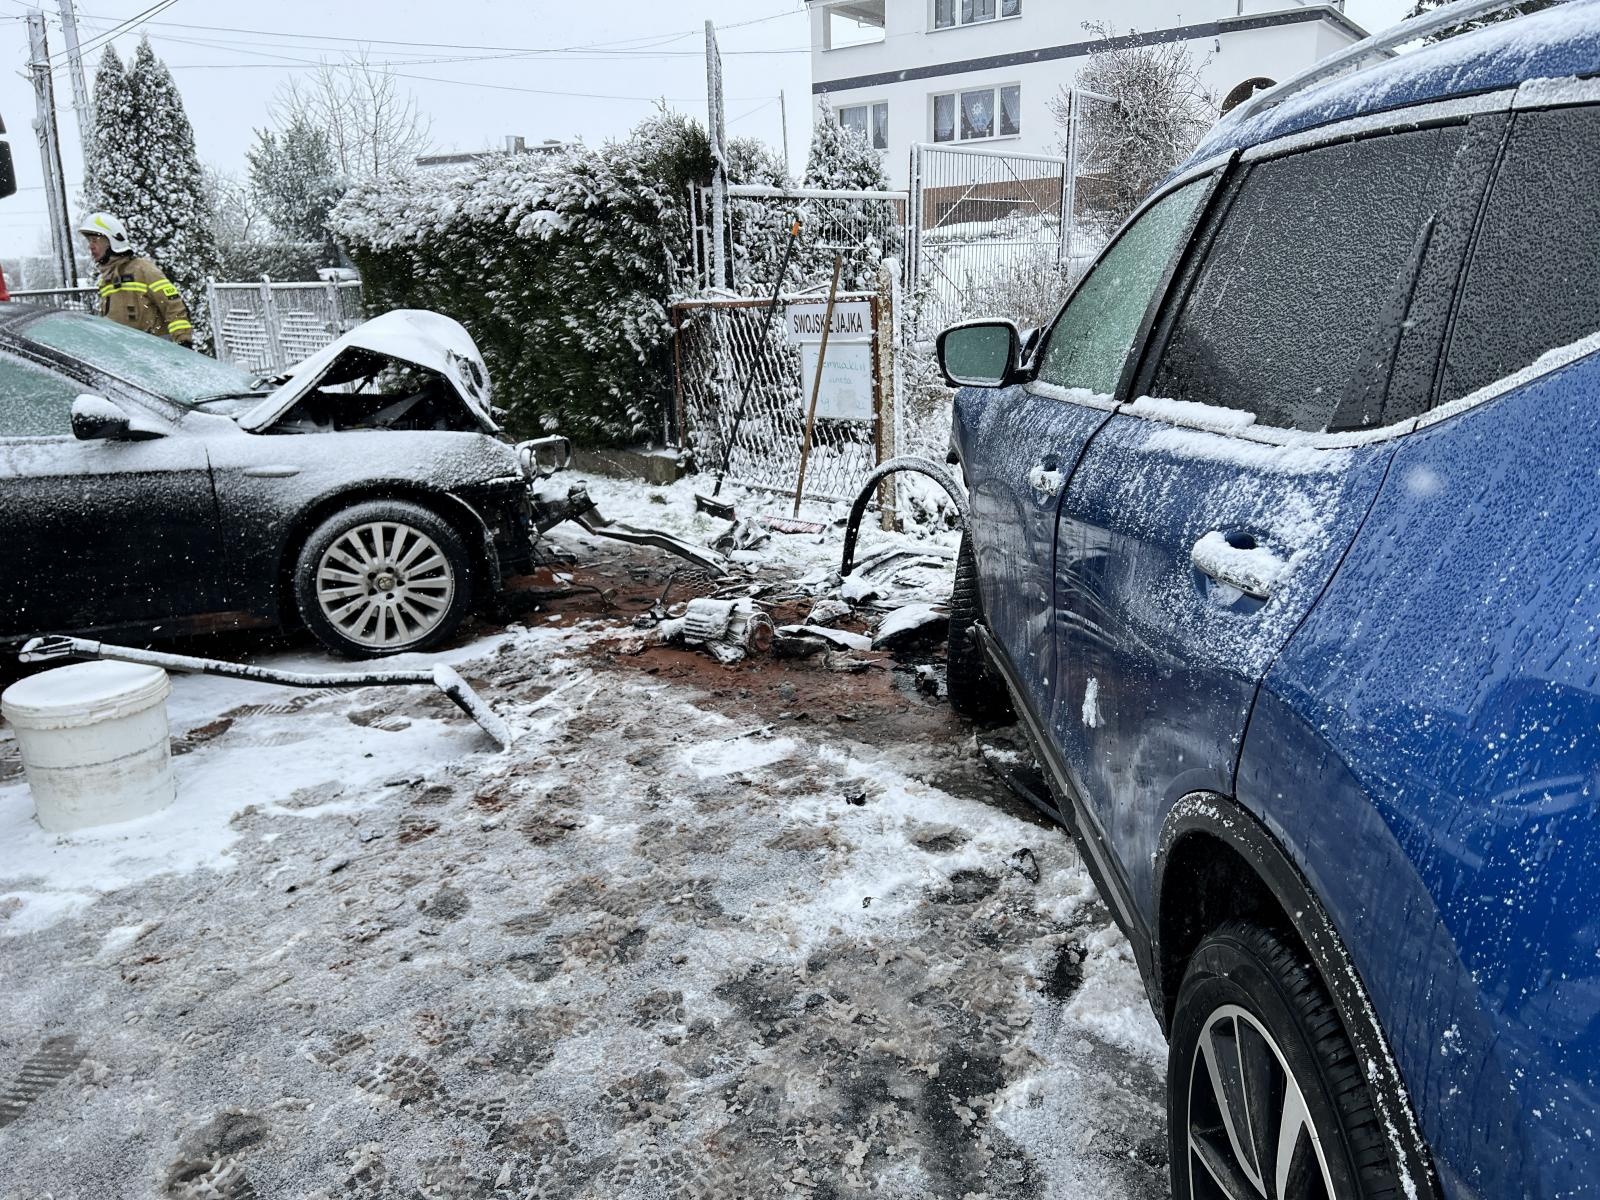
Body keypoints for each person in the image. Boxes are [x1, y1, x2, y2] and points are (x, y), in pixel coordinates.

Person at [77, 212, 194, 347]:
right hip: (127, 353)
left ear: (111, 241)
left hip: (156, 351)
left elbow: (173, 305)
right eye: (89, 241)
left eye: (95, 240)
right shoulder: (107, 280)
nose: (90, 246)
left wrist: (183, 340)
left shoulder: (143, 270)